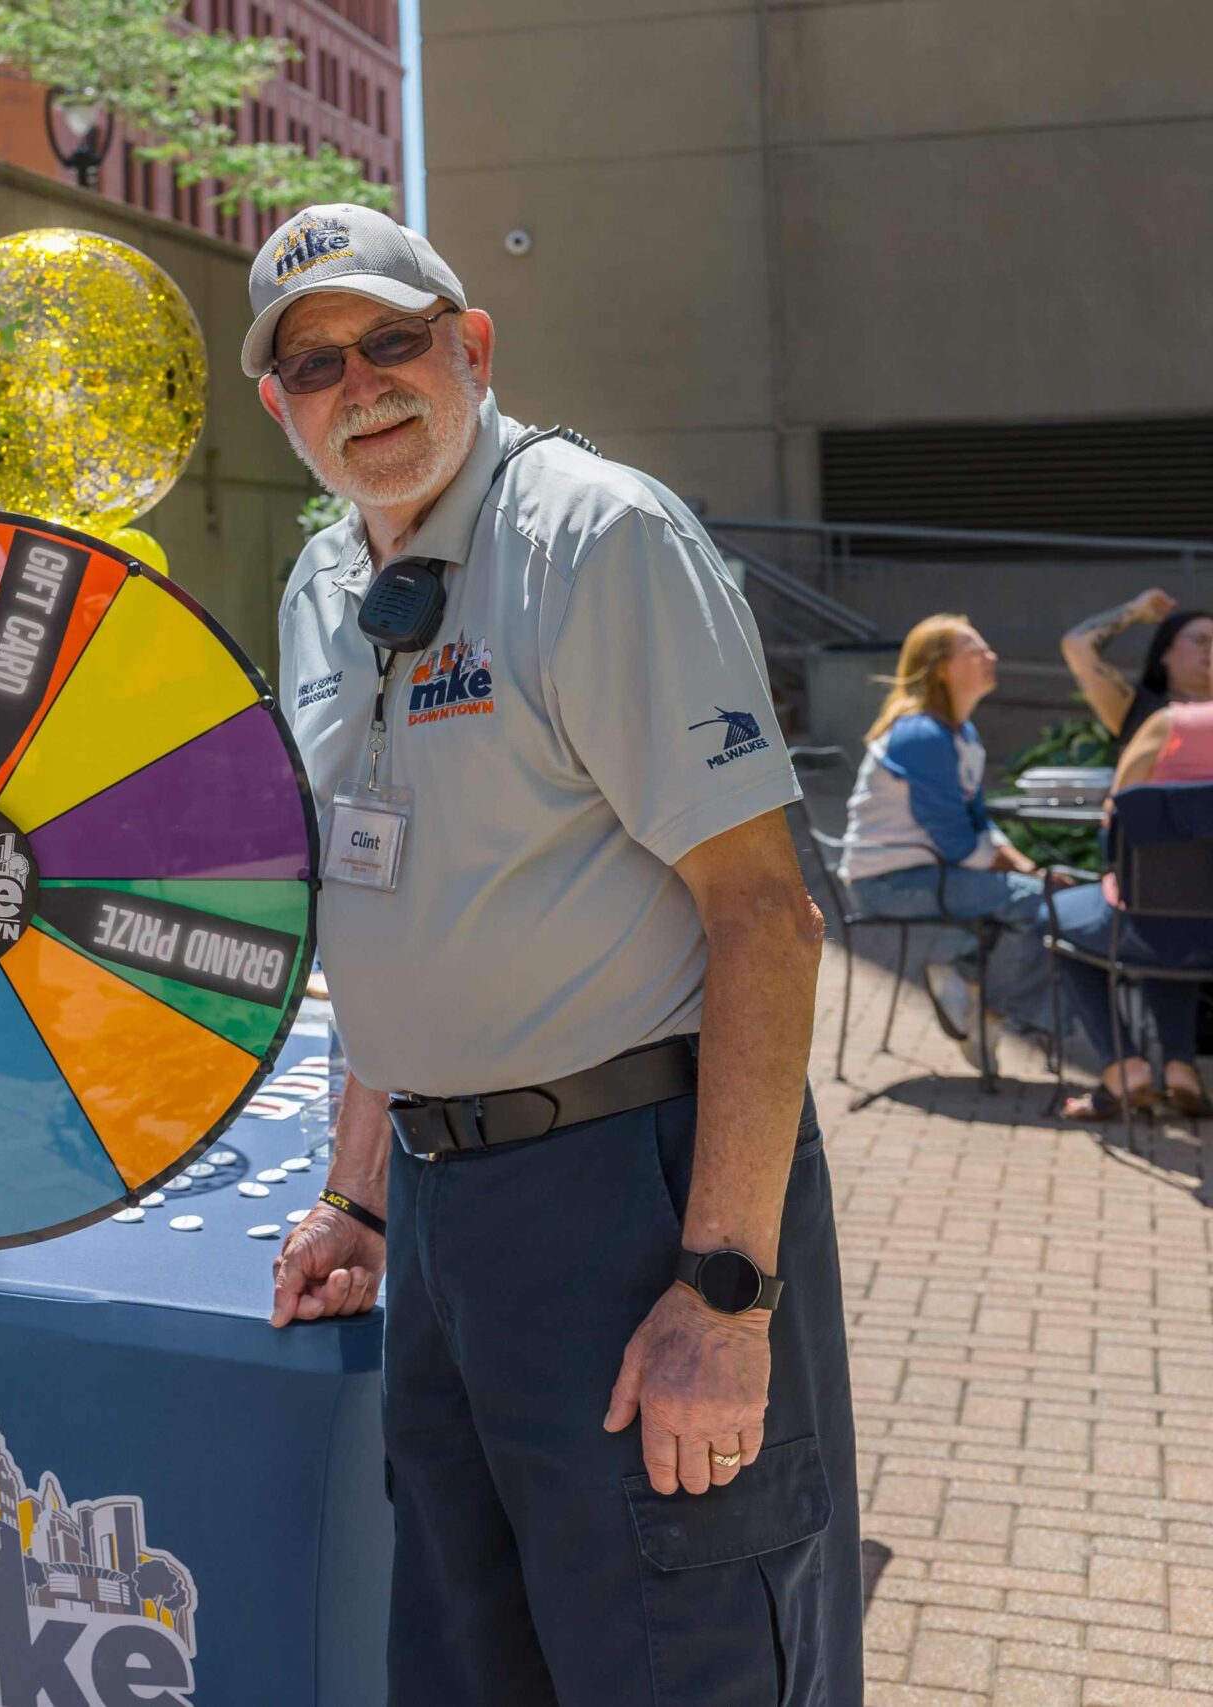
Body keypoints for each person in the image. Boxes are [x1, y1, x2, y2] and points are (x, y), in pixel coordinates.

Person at [253, 204, 859, 1704]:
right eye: (315, 363)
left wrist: (723, 1288)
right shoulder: (322, 589)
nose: (362, 384)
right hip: (448, 1225)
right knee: (472, 1660)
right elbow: (384, 908)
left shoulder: (594, 535)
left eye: (392, 340)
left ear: (471, 343)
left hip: (631, 1192)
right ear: (278, 407)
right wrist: (361, 1191)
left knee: (678, 1652)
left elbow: (766, 918)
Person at [838, 614, 1071, 1066]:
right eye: (975, 650)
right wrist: (1033, 879)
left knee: (1044, 896)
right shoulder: (921, 734)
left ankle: (966, 979)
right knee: (1048, 905)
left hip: (929, 871)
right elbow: (961, 844)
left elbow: (978, 826)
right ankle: (986, 1006)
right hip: (891, 883)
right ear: (941, 668)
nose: (991, 657)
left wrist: (1031, 871)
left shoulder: (961, 733)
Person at [1048, 701, 1213, 1121]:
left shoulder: (1172, 725)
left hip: (1147, 917)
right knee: (1182, 924)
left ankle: (1123, 1067)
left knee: (1052, 917)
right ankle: (1181, 1068)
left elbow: (1113, 829)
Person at [1060, 588, 1213, 756]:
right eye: (1201, 640)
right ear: (1164, 652)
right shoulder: (1136, 707)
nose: (1210, 649)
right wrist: (1135, 610)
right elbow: (1078, 644)